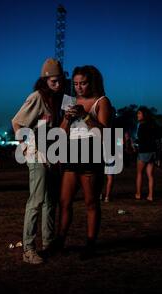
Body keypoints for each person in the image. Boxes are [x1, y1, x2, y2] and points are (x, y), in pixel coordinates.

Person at [56, 65, 113, 260]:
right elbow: (61, 133)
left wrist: (85, 115)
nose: (79, 87)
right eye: (76, 84)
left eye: (83, 83)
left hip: (92, 151)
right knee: (64, 201)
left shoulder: (102, 101)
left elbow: (104, 133)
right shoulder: (69, 101)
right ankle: (60, 241)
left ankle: (90, 244)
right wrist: (66, 118)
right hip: (72, 151)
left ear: (92, 82)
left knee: (91, 202)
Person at [12, 58, 64, 264]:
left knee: (51, 201)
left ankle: (49, 243)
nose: (58, 85)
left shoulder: (56, 100)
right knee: (36, 201)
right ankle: (28, 248)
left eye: (60, 81)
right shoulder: (36, 97)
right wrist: (24, 146)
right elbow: (16, 122)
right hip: (36, 154)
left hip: (51, 155)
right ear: (44, 80)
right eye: (53, 81)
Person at [135, 107, 161, 201]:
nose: (137, 115)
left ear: (144, 115)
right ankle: (150, 196)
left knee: (139, 173)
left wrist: (135, 141)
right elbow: (158, 139)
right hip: (153, 151)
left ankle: (138, 194)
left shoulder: (142, 125)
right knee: (150, 175)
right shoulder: (154, 125)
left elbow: (141, 139)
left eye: (139, 113)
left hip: (144, 151)